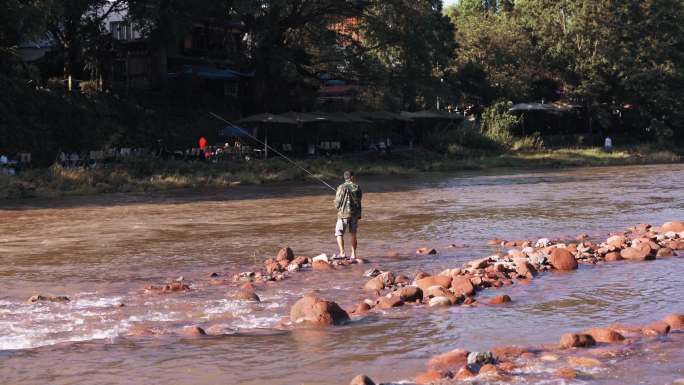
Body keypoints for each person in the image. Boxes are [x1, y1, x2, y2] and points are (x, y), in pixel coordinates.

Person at [334, 170, 362, 259]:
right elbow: (359, 199)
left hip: (343, 214)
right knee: (353, 234)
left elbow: (337, 204)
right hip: (354, 214)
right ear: (352, 177)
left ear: (345, 177)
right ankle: (353, 254)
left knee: (339, 233)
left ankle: (342, 253)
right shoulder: (357, 187)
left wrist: (335, 202)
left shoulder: (341, 187)